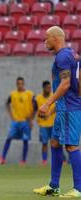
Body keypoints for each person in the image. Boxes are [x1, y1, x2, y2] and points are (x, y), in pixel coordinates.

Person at [34, 26, 81, 198]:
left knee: (71, 145)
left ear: (56, 38)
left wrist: (47, 104)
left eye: (47, 38)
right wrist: (55, 106)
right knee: (54, 142)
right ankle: (54, 186)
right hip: (65, 107)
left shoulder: (62, 57)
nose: (44, 41)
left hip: (69, 108)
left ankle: (79, 189)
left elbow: (65, 83)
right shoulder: (73, 54)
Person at [0, 77, 34, 165]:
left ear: (24, 84)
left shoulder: (29, 94)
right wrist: (11, 115)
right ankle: (3, 158)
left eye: (21, 83)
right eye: (18, 83)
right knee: (9, 138)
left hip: (25, 121)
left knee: (25, 140)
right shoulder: (13, 94)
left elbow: (35, 107)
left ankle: (23, 160)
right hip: (15, 121)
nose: (20, 85)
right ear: (16, 84)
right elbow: (7, 103)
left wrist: (31, 120)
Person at [33, 81, 56, 165]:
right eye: (47, 88)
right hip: (43, 125)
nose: (49, 89)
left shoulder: (53, 96)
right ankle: (44, 160)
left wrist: (49, 113)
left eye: (50, 87)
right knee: (44, 143)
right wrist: (40, 115)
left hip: (53, 124)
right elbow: (35, 110)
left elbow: (57, 107)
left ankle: (62, 159)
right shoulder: (38, 98)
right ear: (43, 88)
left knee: (56, 143)